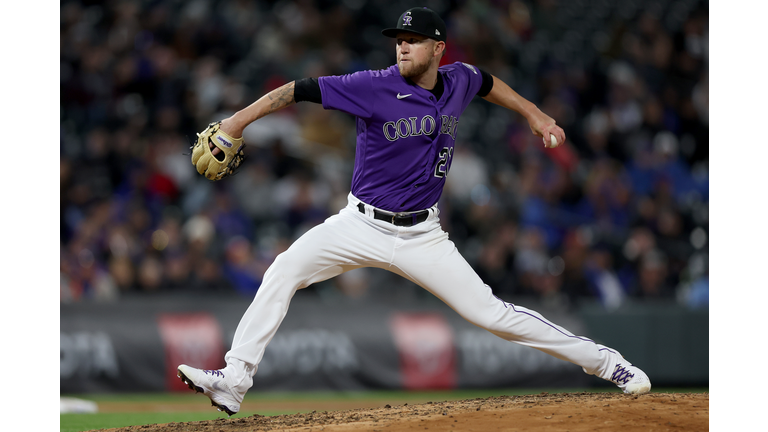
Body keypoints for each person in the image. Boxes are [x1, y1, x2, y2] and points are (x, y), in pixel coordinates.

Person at [177, 7, 651, 416]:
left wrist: (535, 115)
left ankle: (609, 363)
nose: (402, 48)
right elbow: (298, 89)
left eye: (412, 41)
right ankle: (234, 379)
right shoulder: (370, 85)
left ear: (438, 48)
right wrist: (237, 122)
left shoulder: (459, 80)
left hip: (424, 235)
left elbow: (488, 83)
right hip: (358, 223)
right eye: (399, 41)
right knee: (284, 269)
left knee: (492, 315)